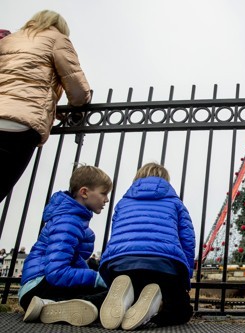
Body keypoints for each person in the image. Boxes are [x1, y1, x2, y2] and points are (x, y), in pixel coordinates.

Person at [0, 10, 91, 203]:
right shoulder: (57, 39)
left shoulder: (8, 40)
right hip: (19, 125)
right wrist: (79, 105)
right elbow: (76, 87)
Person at [99, 162, 195, 330]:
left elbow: (116, 235)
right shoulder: (175, 203)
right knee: (181, 311)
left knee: (129, 291)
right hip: (163, 266)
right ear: (165, 181)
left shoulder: (122, 203)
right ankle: (154, 306)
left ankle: (129, 299)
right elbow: (188, 241)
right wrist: (184, 280)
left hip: (121, 265)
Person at [18, 164, 113, 327]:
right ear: (84, 192)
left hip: (42, 287)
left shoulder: (73, 220)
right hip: (38, 289)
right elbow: (57, 272)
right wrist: (96, 278)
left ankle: (52, 308)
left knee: (111, 295)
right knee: (111, 297)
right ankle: (49, 306)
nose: (106, 199)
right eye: (103, 193)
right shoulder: (68, 222)